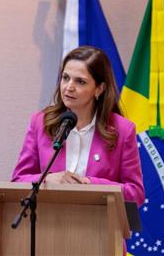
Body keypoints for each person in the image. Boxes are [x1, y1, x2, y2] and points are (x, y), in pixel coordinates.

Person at [11, 46, 145, 207]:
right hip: (48, 224)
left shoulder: (122, 130)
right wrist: (47, 179)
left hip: (99, 226)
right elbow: (18, 180)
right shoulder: (41, 122)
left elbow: (135, 193)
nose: (69, 87)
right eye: (65, 78)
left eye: (80, 81)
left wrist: (89, 184)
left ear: (99, 89)